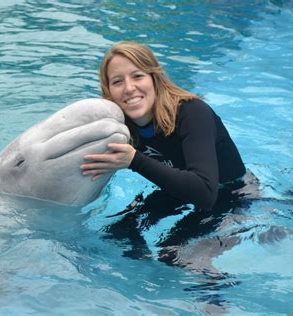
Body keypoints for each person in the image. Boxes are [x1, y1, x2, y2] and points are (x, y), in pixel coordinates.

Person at [80, 41, 254, 211]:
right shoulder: (123, 127)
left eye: (138, 76)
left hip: (234, 196)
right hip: (177, 191)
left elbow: (205, 194)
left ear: (155, 79)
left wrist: (134, 160)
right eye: (117, 82)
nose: (129, 88)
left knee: (178, 241)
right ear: (108, 91)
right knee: (118, 232)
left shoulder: (192, 112)